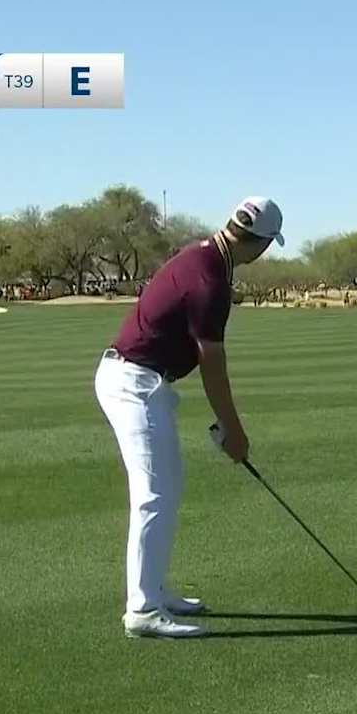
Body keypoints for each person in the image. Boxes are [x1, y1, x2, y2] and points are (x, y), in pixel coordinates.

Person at [95, 197, 284, 639]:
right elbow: (212, 362)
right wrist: (234, 431)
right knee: (154, 494)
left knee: (166, 488)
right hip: (133, 383)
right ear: (260, 244)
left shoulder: (203, 255)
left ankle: (154, 589)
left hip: (143, 380)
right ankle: (142, 610)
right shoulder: (210, 279)